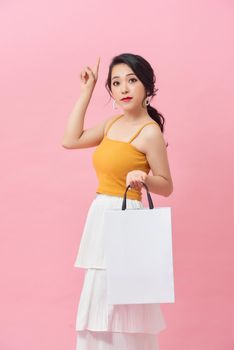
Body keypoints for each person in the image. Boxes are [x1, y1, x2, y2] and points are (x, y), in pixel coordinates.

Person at [62, 53, 173, 350]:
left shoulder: (149, 132)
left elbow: (166, 185)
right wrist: (87, 89)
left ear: (147, 88)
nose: (124, 88)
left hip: (128, 218)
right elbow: (70, 139)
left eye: (132, 80)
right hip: (101, 215)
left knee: (126, 303)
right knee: (100, 299)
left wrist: (145, 178)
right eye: (116, 83)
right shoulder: (111, 124)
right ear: (110, 91)